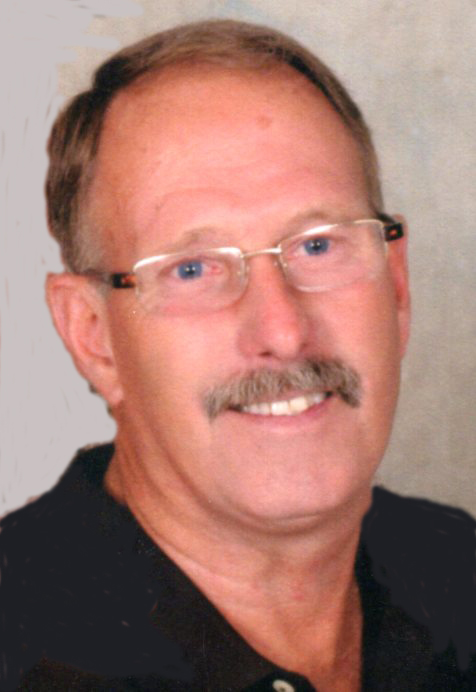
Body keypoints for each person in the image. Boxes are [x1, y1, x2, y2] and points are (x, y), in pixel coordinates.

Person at [1, 19, 475, 692]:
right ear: (92, 336)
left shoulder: (459, 572)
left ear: (396, 288)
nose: (283, 330)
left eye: (318, 246)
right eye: (192, 269)